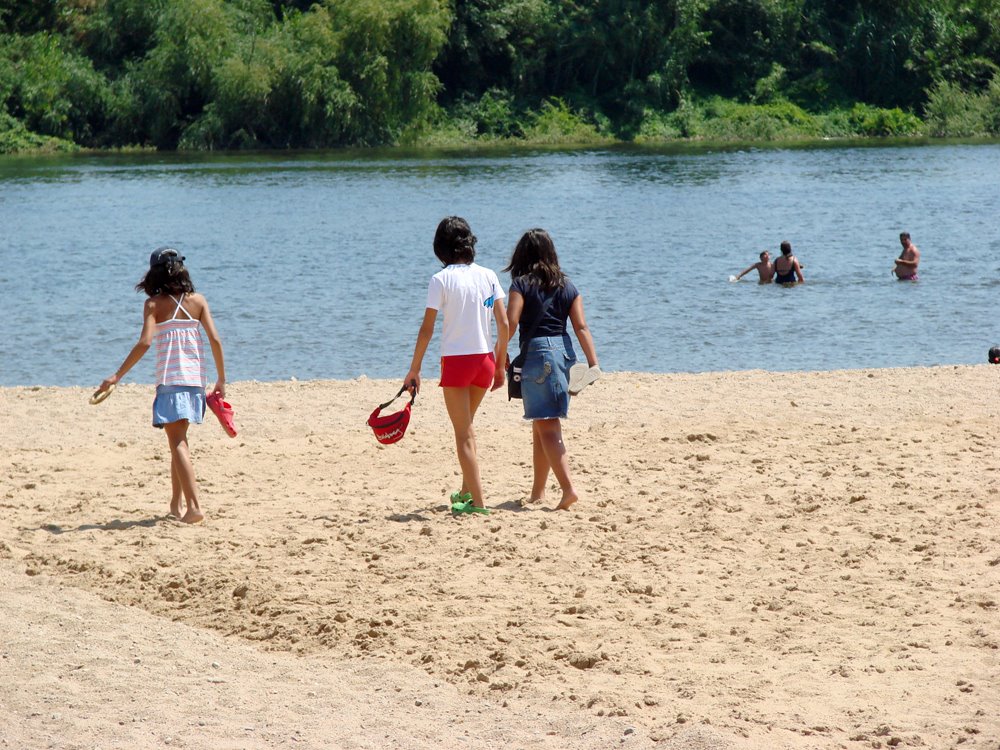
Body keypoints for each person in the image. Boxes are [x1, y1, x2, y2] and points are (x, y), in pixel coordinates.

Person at [93, 247, 226, 524]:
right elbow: (215, 340)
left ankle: (194, 506)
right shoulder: (198, 301)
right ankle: (175, 505)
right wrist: (221, 380)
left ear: (154, 274)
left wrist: (117, 375)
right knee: (178, 442)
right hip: (195, 382)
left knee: (177, 443)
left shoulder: (154, 305)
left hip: (170, 382)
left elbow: (144, 343)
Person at [405, 217, 509, 515]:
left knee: (463, 435)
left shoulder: (441, 279)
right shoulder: (489, 275)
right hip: (485, 360)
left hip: (457, 362)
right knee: (468, 428)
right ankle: (465, 491)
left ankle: (477, 503)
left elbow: (427, 329)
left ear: (441, 248)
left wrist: (414, 369)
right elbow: (503, 324)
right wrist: (500, 364)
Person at [504, 229, 599, 511]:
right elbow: (581, 326)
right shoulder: (567, 286)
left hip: (538, 355)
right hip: (564, 354)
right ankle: (538, 492)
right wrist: (593, 363)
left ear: (522, 255)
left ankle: (568, 489)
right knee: (541, 422)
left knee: (548, 425)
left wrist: (497, 353)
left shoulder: (520, 285)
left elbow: (510, 323)